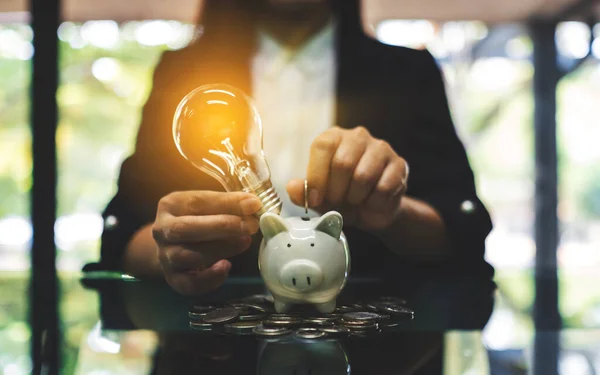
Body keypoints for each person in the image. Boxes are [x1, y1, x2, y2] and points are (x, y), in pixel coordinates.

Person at [94, 0, 494, 295]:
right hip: (212, 348)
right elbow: (124, 233)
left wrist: (392, 211)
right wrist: (170, 249)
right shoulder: (182, 75)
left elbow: (463, 233)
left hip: (378, 349)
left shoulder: (407, 74)